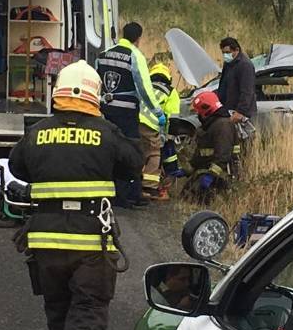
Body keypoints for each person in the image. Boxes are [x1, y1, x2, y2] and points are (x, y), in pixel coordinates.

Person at [8, 60, 143, 330]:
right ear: (95, 97)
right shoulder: (106, 132)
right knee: (89, 306)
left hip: (45, 243)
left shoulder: (37, 132)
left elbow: (17, 166)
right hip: (91, 243)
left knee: (57, 305)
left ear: (58, 93)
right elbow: (134, 164)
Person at [95, 22, 165, 209]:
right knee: (131, 152)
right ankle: (128, 195)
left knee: (108, 150)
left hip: (106, 110)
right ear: (138, 38)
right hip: (126, 113)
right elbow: (144, 87)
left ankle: (108, 192)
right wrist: (157, 112)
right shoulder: (135, 56)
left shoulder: (103, 54)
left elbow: (96, 81)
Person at [183, 91, 237, 202]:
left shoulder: (222, 126)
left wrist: (211, 176)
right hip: (208, 168)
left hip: (222, 172)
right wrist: (188, 169)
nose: (198, 115)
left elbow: (223, 155)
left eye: (199, 112)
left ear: (206, 111)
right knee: (186, 194)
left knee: (196, 196)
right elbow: (202, 154)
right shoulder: (211, 125)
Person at [138, 62, 180, 201]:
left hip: (134, 122)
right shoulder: (170, 91)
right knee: (154, 153)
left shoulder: (145, 86)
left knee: (138, 152)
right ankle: (148, 187)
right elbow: (173, 118)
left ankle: (132, 183)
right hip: (150, 124)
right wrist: (170, 136)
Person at [215, 37, 256, 178]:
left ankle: (242, 176)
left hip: (240, 114)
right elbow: (223, 87)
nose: (225, 55)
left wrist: (240, 112)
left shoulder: (245, 66)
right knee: (229, 147)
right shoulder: (229, 65)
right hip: (227, 111)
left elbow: (247, 91)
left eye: (227, 52)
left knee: (241, 149)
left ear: (236, 50)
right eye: (223, 52)